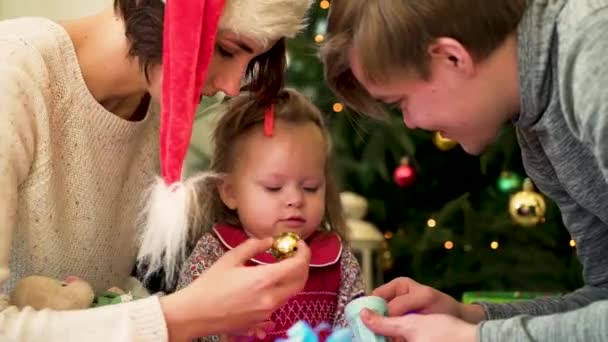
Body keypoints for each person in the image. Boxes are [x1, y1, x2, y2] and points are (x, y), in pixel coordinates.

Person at [0, 0, 315, 340]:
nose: (232, 87)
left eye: (250, 61)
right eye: (226, 50)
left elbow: (110, 297)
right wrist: (181, 317)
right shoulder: (14, 71)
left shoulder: (156, 110)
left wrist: (210, 314)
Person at [320, 0, 608, 341]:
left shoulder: (593, 48)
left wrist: (475, 338)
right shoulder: (536, 116)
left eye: (400, 102)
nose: (410, 123)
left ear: (451, 58)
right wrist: (470, 318)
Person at [175, 88, 366, 341]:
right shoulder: (214, 253)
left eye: (310, 187)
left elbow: (356, 326)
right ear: (230, 192)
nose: (295, 200)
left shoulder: (338, 259)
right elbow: (185, 324)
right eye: (273, 187)